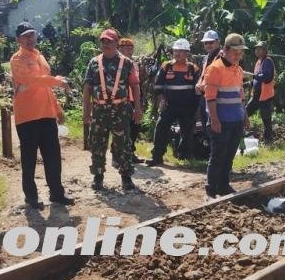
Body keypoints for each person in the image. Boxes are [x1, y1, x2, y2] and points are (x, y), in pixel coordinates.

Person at [10, 22, 75, 209]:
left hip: (46, 114)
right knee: (29, 159)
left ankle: (57, 193)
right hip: (27, 116)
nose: (29, 38)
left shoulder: (40, 56)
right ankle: (31, 197)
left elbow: (45, 86)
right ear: (18, 40)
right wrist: (57, 81)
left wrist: (57, 109)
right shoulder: (17, 60)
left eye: (32, 34)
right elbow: (30, 80)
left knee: (53, 156)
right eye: (25, 36)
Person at [82, 29, 142, 191]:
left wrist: (138, 109)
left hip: (121, 109)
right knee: (97, 143)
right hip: (99, 109)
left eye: (109, 41)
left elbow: (135, 87)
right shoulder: (94, 62)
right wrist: (86, 111)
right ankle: (98, 176)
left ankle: (126, 177)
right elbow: (87, 88)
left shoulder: (126, 63)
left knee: (123, 144)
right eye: (103, 41)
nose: (106, 44)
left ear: (117, 43)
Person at [203, 33, 250, 197]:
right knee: (218, 155)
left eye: (241, 52)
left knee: (229, 154)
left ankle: (223, 185)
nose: (238, 55)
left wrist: (245, 115)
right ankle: (211, 187)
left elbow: (241, 95)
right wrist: (214, 119)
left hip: (236, 119)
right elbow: (210, 97)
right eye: (235, 52)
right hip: (221, 120)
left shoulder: (238, 69)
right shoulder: (215, 68)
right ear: (225, 50)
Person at [148, 38, 200, 165]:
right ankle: (157, 157)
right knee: (161, 128)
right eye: (175, 51)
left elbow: (198, 89)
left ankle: (183, 158)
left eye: (181, 51)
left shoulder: (193, 68)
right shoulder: (166, 66)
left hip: (187, 107)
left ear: (187, 53)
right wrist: (161, 100)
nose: (177, 54)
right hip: (169, 105)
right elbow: (158, 86)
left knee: (187, 132)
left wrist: (196, 108)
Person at [114, 37, 143, 164]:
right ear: (119, 49)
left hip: (133, 100)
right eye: (125, 48)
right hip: (120, 100)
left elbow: (137, 84)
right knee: (119, 128)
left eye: (130, 48)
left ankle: (130, 152)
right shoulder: (115, 63)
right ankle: (116, 155)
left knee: (135, 126)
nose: (128, 50)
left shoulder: (133, 64)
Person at [246, 41, 276, 143]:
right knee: (245, 112)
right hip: (257, 95)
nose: (257, 51)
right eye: (256, 49)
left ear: (265, 51)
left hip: (265, 95)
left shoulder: (267, 61)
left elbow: (266, 77)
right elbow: (257, 77)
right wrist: (250, 82)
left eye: (260, 49)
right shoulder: (259, 62)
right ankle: (240, 133)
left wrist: (252, 76)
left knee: (266, 119)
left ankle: (268, 140)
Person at [196, 30, 221, 145]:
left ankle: (215, 151)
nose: (208, 45)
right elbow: (203, 74)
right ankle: (210, 150)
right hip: (204, 94)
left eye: (210, 42)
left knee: (212, 123)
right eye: (206, 43)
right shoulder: (206, 58)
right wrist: (198, 84)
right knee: (205, 121)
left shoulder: (221, 56)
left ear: (217, 42)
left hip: (215, 95)